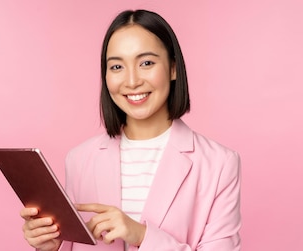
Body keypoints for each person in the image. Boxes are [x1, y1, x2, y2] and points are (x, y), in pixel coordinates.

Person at [19, 9, 241, 251]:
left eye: (146, 63)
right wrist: (51, 247)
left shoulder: (219, 163)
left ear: (173, 68)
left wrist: (141, 235)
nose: (132, 80)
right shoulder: (79, 160)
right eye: (116, 67)